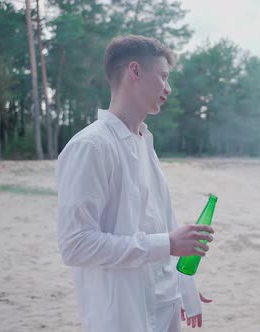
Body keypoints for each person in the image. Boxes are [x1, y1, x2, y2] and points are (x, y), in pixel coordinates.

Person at [56, 35, 214, 332]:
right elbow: (75, 245)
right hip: (121, 314)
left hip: (164, 305)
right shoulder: (91, 146)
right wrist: (168, 243)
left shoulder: (144, 142)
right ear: (135, 71)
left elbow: (160, 225)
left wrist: (183, 285)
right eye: (164, 77)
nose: (168, 88)